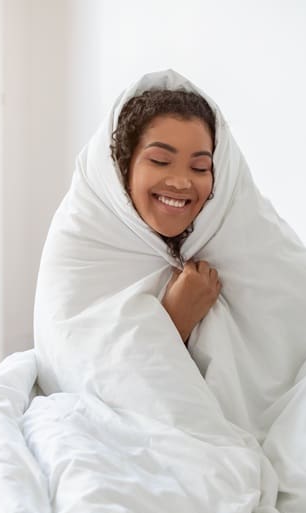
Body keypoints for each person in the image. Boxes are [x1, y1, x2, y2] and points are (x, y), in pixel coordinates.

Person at [110, 90, 221, 343]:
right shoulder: (86, 252)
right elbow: (89, 371)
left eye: (199, 168)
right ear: (124, 168)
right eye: (160, 161)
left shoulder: (225, 248)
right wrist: (175, 320)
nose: (181, 182)